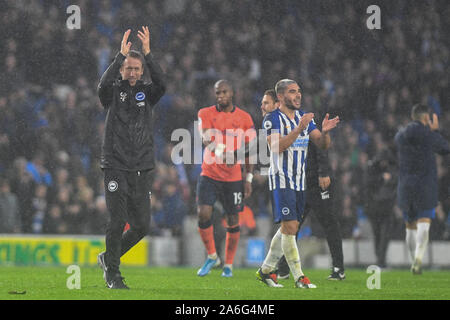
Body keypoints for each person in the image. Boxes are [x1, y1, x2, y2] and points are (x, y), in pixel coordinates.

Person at [96, 27, 166, 289]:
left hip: (142, 166)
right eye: (129, 68)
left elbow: (163, 84)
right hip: (115, 164)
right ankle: (113, 274)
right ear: (122, 70)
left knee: (141, 226)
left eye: (137, 68)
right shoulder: (113, 92)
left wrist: (148, 54)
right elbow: (102, 86)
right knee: (116, 220)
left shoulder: (147, 93)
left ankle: (107, 257)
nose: (133, 72)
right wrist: (118, 57)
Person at [256, 79, 339, 288]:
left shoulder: (305, 118)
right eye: (293, 92)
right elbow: (276, 147)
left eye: (299, 91)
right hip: (281, 179)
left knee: (288, 228)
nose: (298, 95)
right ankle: (299, 277)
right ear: (282, 97)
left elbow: (321, 144)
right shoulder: (271, 118)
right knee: (291, 226)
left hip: (299, 181)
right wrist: (298, 129)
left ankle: (266, 270)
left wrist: (326, 132)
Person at [276, 109, 346, 280]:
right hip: (300, 182)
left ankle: (338, 268)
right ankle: (284, 267)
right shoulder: (285, 124)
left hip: (317, 181)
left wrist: (323, 171)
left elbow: (320, 146)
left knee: (329, 222)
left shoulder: (304, 121)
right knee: (294, 224)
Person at [196, 79, 256, 278]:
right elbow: (206, 138)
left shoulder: (245, 118)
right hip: (210, 174)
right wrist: (224, 152)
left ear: (232, 94)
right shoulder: (205, 113)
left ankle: (228, 265)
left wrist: (248, 178)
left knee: (232, 219)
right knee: (203, 214)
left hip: (233, 179)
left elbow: (250, 150)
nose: (220, 96)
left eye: (224, 92)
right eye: (217, 93)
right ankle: (213, 256)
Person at [394, 104, 449, 275]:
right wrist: (435, 131)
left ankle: (412, 260)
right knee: (424, 223)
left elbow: (396, 142)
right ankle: (418, 258)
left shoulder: (401, 134)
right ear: (426, 118)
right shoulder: (428, 134)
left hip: (406, 186)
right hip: (425, 185)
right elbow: (445, 148)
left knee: (410, 226)